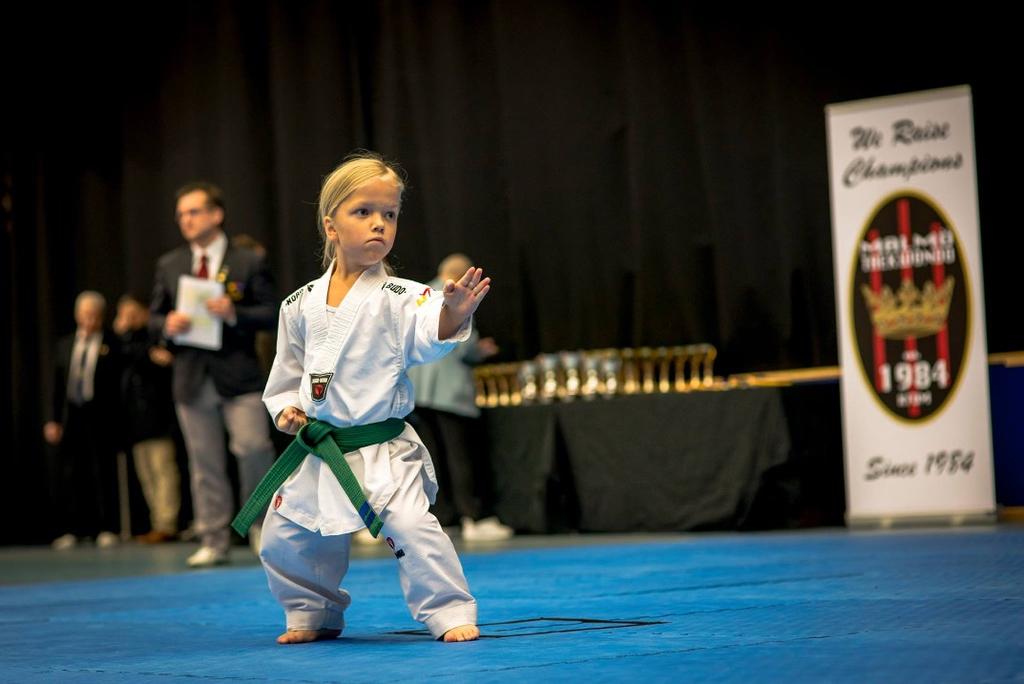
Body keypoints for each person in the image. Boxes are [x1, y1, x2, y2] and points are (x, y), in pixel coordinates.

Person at [246, 152, 490, 644]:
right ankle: (311, 612)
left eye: (390, 214)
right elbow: (286, 374)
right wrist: (287, 409)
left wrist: (452, 314)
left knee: (413, 529)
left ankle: (448, 612)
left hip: (382, 449)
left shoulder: (405, 295)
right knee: (284, 537)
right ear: (331, 224)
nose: (379, 224)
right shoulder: (298, 304)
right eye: (364, 212)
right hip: (321, 448)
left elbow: (429, 331)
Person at [149, 181, 278, 567]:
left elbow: (273, 312)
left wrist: (235, 314)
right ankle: (214, 538)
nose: (185, 220)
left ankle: (260, 527)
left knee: (254, 447)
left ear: (215, 214)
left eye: (193, 212)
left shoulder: (247, 262)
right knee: (203, 462)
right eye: (181, 215)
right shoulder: (169, 265)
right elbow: (154, 317)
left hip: (239, 376)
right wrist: (166, 324)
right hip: (191, 377)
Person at [407, 254, 512, 542]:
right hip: (448, 392)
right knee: (460, 456)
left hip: (418, 392)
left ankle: (443, 517)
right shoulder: (457, 295)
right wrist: (481, 349)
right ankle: (473, 518)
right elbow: (462, 346)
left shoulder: (420, 295)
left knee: (432, 458)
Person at [43, 291, 122, 549]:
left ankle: (107, 527)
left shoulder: (111, 343)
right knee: (71, 473)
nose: (90, 320)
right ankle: (73, 529)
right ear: (78, 315)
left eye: (95, 316)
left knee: (103, 471)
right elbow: (56, 385)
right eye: (85, 315)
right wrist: (53, 420)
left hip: (100, 415)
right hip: (71, 414)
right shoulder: (65, 344)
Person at [113, 294, 181, 543]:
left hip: (158, 418)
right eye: (124, 315)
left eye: (133, 314)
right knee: (146, 474)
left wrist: (127, 335)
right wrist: (119, 335)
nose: (129, 320)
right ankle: (156, 521)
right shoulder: (120, 344)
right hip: (134, 421)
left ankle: (167, 523)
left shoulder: (153, 337)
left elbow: (152, 360)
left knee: (163, 470)